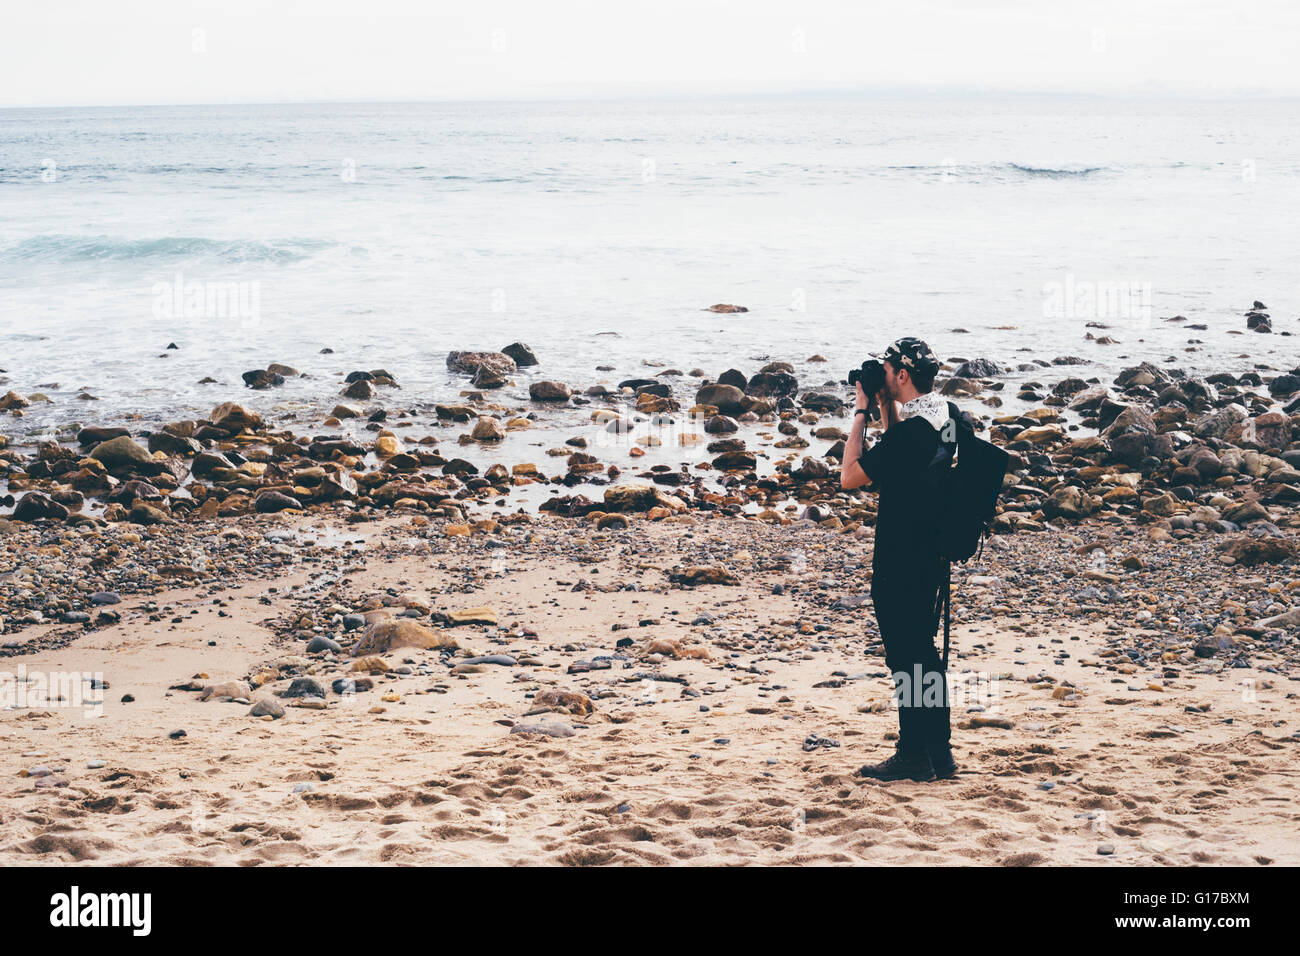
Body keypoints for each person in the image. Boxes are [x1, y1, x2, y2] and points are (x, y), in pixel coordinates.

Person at [839, 337, 957, 782]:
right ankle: (938, 751)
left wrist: (859, 411)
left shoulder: (911, 433)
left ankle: (911, 754)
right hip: (933, 551)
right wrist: (886, 405)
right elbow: (904, 454)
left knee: (906, 657)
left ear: (902, 374)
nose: (883, 374)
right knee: (925, 654)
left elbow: (851, 477)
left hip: (900, 555)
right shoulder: (945, 416)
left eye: (888, 369)